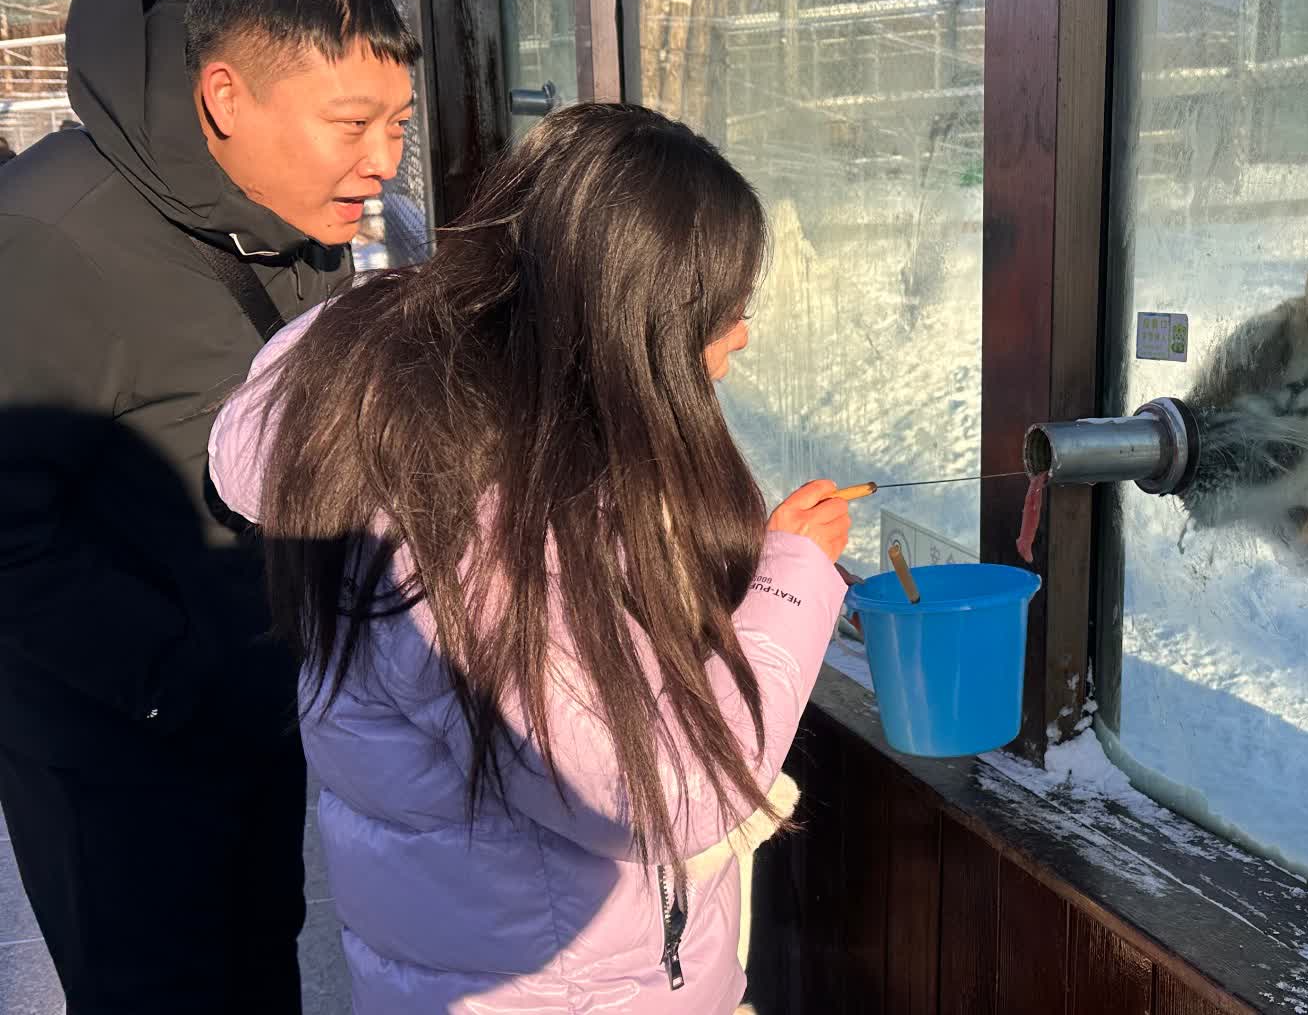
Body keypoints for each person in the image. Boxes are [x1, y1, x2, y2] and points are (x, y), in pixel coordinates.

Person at [207, 102, 852, 1013]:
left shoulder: (509, 430)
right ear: (631, 315)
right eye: (720, 307)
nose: (741, 334)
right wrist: (793, 577)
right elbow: (660, 792)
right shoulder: (464, 531)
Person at [0, 0, 416, 1010]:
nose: (383, 162)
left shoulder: (294, 221)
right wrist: (174, 676)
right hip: (119, 751)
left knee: (256, 960)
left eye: (398, 124)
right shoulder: (48, 240)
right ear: (227, 96)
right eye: (353, 125)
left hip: (254, 705)